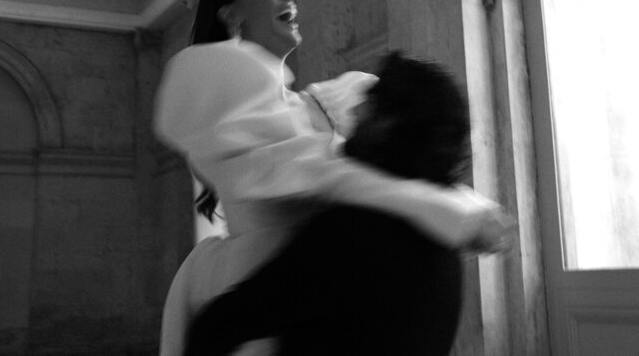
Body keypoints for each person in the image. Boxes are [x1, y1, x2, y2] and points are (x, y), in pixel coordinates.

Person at [153, 0, 514, 355]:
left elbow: (411, 159)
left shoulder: (327, 102)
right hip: (264, 272)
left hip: (326, 277)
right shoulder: (222, 89)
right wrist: (456, 209)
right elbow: (336, 175)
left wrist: (462, 205)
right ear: (231, 15)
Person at [184, 52, 479, 355]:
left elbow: (218, 326)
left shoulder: (357, 232)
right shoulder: (442, 235)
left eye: (371, 102)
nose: (357, 110)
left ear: (389, 125)